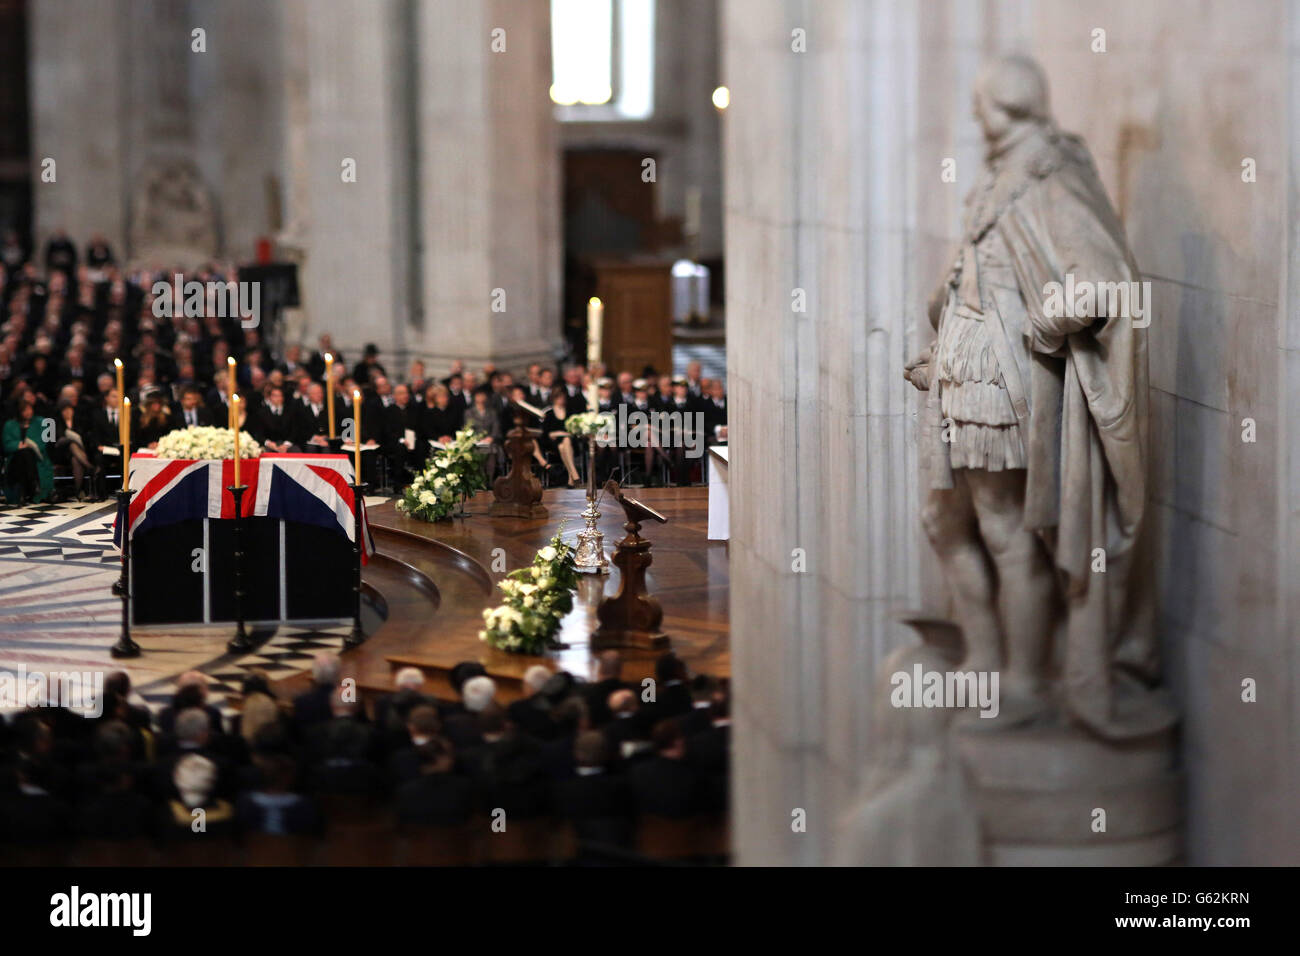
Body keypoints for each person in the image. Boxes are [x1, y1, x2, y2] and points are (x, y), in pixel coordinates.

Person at [3, 393, 54, 503]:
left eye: (30, 409)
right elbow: (6, 444)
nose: (28, 412)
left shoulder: (41, 422)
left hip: (37, 457)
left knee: (26, 454)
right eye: (25, 410)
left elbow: (45, 442)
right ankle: (31, 486)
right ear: (19, 412)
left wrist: (30, 446)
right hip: (16, 458)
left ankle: (25, 490)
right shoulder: (10, 424)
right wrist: (18, 445)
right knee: (22, 454)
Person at [52, 398, 99, 499]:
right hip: (62, 453)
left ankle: (78, 491)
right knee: (72, 444)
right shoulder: (56, 422)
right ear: (61, 412)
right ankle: (90, 467)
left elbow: (85, 437)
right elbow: (54, 441)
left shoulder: (79, 421)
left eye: (70, 409)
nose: (68, 412)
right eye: (65, 410)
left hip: (78, 453)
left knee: (75, 460)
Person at [540, 388, 581, 486]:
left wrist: (563, 434)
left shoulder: (570, 412)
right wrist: (558, 433)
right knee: (562, 445)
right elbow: (547, 433)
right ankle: (573, 473)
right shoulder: (549, 413)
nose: (561, 400)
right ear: (553, 399)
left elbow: (573, 430)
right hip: (553, 443)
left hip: (569, 442)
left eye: (562, 398)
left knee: (564, 444)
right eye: (558, 398)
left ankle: (572, 476)